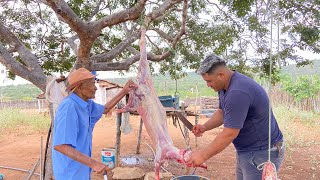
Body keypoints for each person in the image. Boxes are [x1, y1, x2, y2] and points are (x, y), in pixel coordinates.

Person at [186, 54, 284, 180]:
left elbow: (230, 133)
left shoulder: (237, 92)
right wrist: (205, 126)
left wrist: (202, 155)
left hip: (262, 152)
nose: (208, 85)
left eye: (209, 81)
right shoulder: (224, 86)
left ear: (221, 75)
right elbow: (222, 112)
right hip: (247, 151)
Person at [52, 68, 137, 180]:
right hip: (70, 173)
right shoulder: (69, 107)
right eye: (92, 84)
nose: (95, 88)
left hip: (81, 171)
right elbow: (61, 145)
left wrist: (124, 91)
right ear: (80, 87)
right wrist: (93, 163)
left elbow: (105, 109)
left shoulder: (87, 105)